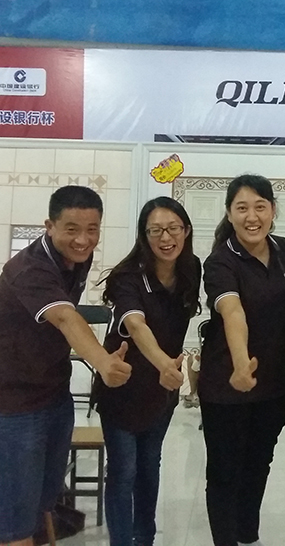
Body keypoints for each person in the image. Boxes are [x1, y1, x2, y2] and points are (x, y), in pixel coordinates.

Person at [0, 185, 133, 546]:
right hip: (17, 404)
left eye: (92, 229)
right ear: (49, 226)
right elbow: (66, 317)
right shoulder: (29, 269)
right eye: (72, 229)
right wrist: (102, 362)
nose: (83, 240)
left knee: (44, 502)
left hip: (54, 394)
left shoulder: (74, 259)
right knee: (19, 519)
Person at [93, 196, 202, 546]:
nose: (165, 238)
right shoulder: (127, 277)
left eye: (173, 228)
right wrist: (164, 364)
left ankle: (145, 538)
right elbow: (136, 325)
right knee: (124, 470)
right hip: (122, 384)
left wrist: (169, 371)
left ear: (186, 231)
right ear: (144, 235)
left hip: (161, 388)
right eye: (155, 230)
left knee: (149, 465)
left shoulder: (191, 268)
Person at [200, 174, 285, 546]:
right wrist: (241, 364)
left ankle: (248, 536)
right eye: (242, 208)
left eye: (260, 207)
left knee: (258, 464)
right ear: (229, 213)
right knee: (225, 472)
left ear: (273, 210)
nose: (251, 216)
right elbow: (232, 311)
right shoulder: (220, 261)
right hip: (226, 386)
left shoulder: (284, 250)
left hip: (273, 385)